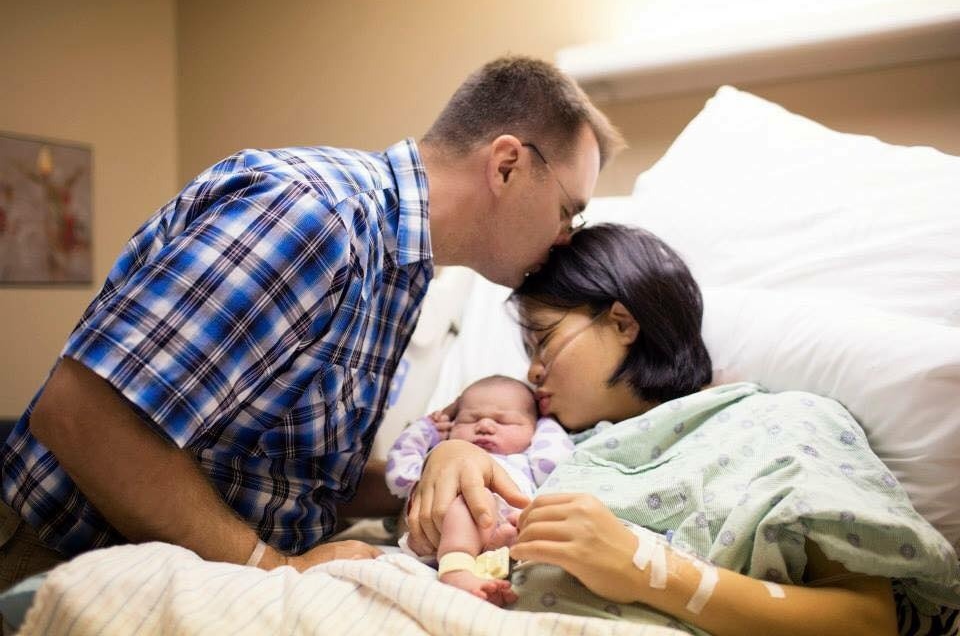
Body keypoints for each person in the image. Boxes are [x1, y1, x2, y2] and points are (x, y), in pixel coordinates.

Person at [0, 56, 625, 590]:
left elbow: (294, 478)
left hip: (190, 569)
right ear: (507, 165)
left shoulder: (401, 271)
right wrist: (275, 568)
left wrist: (441, 466)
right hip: (60, 561)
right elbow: (82, 416)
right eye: (567, 210)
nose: (565, 236)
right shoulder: (315, 215)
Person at [407, 224, 960, 635]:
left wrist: (648, 571)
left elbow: (866, 623)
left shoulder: (775, 423)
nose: (532, 371)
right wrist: (452, 456)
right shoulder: (549, 446)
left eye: (543, 341)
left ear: (622, 322)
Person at [385, 375, 572, 605]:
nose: (484, 426)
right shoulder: (438, 460)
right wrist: (428, 427)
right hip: (432, 532)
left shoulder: (531, 463)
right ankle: (456, 569)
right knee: (472, 496)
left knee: (527, 520)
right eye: (468, 420)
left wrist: (546, 421)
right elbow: (397, 475)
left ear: (534, 431)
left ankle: (491, 560)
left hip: (503, 534)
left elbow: (557, 458)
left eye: (504, 421)